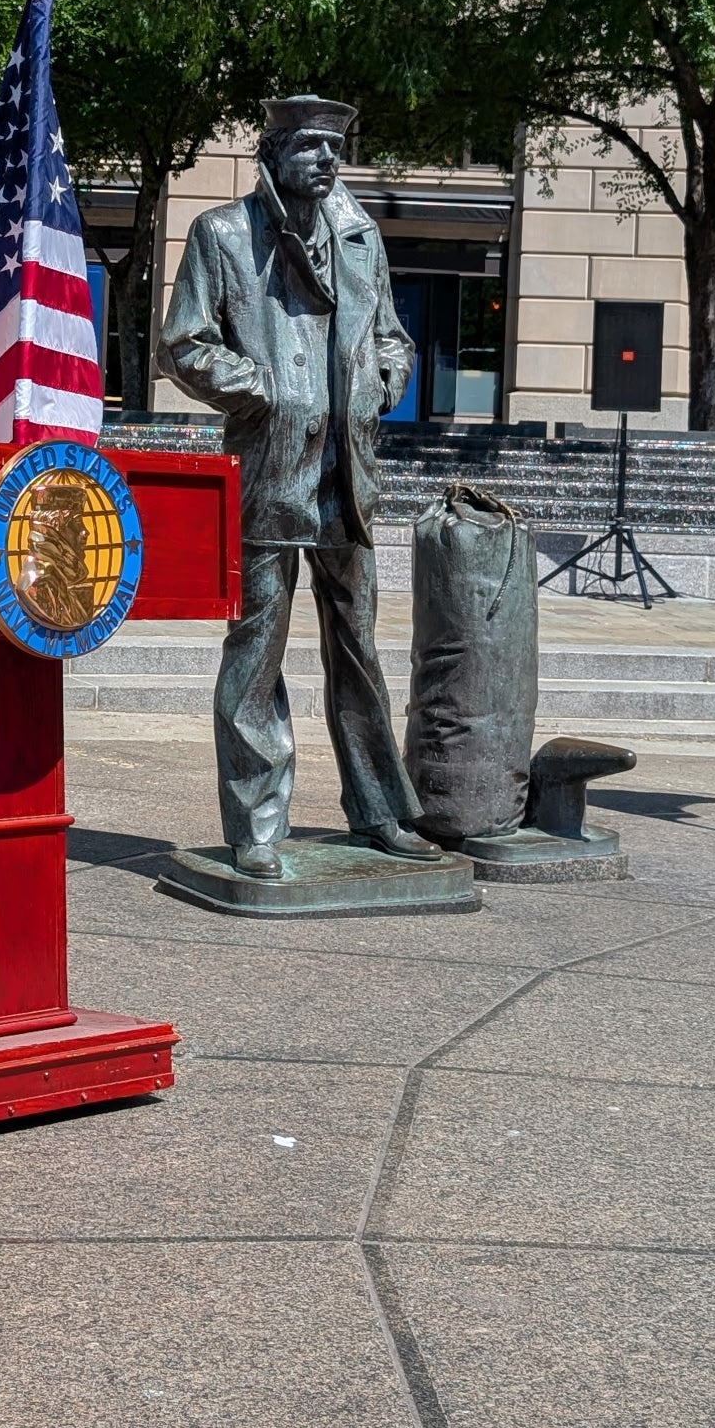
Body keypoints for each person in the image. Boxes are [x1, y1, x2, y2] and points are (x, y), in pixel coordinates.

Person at [157, 95, 437, 876]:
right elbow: (184, 343)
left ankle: (382, 810)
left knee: (360, 653)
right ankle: (255, 827)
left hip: (348, 478)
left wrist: (383, 379)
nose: (326, 158)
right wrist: (266, 388)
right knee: (256, 654)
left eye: (334, 146)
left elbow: (392, 336)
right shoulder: (222, 235)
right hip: (271, 472)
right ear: (272, 151)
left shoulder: (359, 236)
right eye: (310, 145)